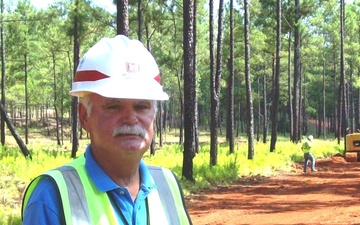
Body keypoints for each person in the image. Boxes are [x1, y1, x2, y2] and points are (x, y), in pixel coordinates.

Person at [22, 35, 192, 225]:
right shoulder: (52, 197)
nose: (131, 118)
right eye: (114, 106)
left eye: (141, 106)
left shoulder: (167, 184)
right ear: (85, 116)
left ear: (154, 114)